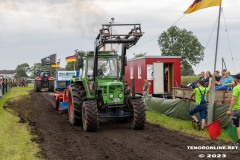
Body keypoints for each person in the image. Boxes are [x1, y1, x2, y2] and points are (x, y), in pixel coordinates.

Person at [226, 74, 240, 146]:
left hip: (237, 109)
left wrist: (229, 110)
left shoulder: (236, 88)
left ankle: (239, 141)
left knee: (237, 125)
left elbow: (233, 99)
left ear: (237, 80)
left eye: (234, 79)